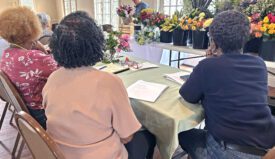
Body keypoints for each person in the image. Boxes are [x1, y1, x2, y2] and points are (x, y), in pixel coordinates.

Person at [43, 11, 155, 159]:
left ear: (56, 46)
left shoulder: (53, 78)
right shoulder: (110, 83)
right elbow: (127, 136)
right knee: (147, 138)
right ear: (97, 43)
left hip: (58, 153)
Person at [178, 10, 275, 159]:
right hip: (263, 149)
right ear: (246, 37)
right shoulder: (259, 64)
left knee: (182, 134)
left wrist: (209, 61)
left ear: (214, 41)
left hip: (226, 151)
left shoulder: (207, 67)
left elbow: (187, 95)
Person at [0, 7, 58, 129]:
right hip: (42, 115)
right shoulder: (35, 57)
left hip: (26, 114)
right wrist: (44, 52)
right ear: (32, 30)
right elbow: (61, 75)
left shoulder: (6, 54)